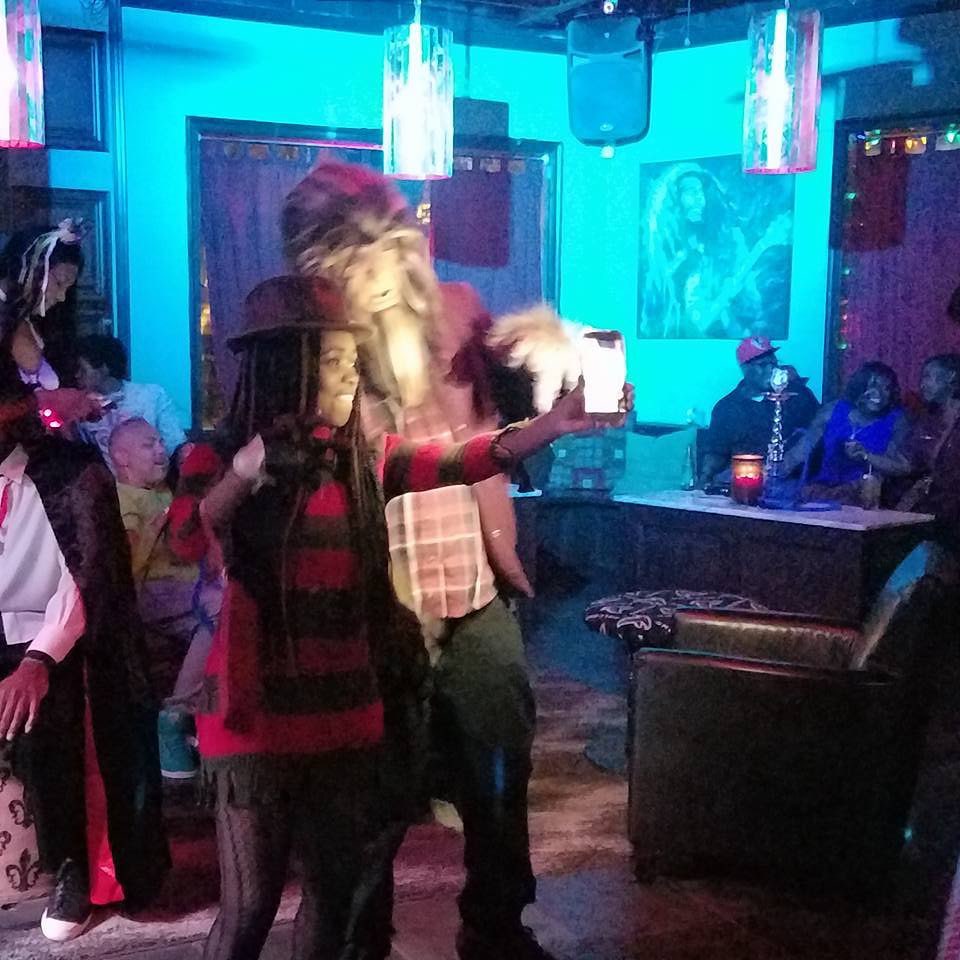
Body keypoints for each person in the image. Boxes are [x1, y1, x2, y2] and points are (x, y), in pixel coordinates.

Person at [178, 275, 626, 960]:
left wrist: (552, 424)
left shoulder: (361, 456)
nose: (348, 375)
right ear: (286, 365)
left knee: (330, 903)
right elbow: (185, 539)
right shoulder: (214, 455)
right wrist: (244, 472)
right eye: (333, 361)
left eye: (350, 361)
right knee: (249, 909)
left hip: (344, 714)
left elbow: (460, 460)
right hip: (254, 716)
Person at [281, 161, 597, 960]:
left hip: (473, 587)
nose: (387, 269)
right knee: (375, 797)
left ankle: (497, 926)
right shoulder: (313, 347)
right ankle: (359, 944)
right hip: (378, 611)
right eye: (360, 258)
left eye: (394, 245)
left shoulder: (455, 311)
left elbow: (511, 401)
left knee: (501, 767)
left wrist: (553, 360)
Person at [0, 353, 168, 942]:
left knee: (54, 717)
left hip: (61, 639)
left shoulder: (71, 472)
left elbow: (86, 577)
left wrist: (37, 660)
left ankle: (71, 864)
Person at [110, 418, 212, 779]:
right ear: (121, 457)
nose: (160, 450)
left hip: (187, 586)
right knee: (218, 609)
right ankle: (174, 716)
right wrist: (159, 526)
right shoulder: (123, 498)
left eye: (159, 442)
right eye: (148, 444)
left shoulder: (164, 492)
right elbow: (126, 566)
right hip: (153, 591)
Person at [638, 163, 790, 339]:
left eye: (701, 191)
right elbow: (696, 321)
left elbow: (746, 302)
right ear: (674, 201)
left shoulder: (719, 244)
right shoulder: (672, 260)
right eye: (690, 191)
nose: (699, 198)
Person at [699, 335, 819, 488]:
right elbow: (716, 453)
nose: (771, 370)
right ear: (745, 368)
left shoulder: (798, 396)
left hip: (798, 483)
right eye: (762, 365)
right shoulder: (727, 408)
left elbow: (820, 431)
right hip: (747, 484)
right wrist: (705, 480)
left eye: (773, 363)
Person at [782, 361, 909, 504]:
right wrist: (773, 475)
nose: (879, 393)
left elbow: (900, 466)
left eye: (886, 388)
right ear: (859, 385)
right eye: (873, 385)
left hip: (865, 497)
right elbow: (803, 449)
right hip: (823, 492)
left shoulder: (896, 420)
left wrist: (866, 456)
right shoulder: (833, 410)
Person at [75, 333, 187, 469]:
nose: (77, 375)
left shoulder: (151, 396)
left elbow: (174, 442)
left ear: (104, 369)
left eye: (83, 370)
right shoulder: (78, 408)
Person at [0, 220, 85, 389]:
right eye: (59, 283)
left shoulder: (35, 320)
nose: (62, 297)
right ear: (28, 269)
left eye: (67, 289)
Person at [897, 355, 960, 543]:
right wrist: (868, 455)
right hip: (932, 510)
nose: (922, 385)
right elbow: (907, 462)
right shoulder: (927, 419)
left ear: (951, 376)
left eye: (928, 376)